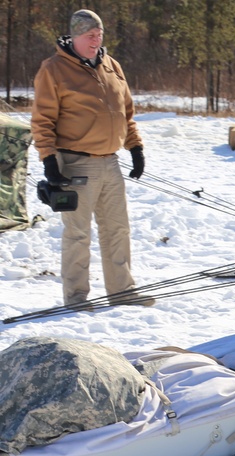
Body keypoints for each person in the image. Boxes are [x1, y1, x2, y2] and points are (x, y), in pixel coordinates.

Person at [30, 9, 150, 308]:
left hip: (110, 162)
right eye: (89, 36)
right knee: (78, 233)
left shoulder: (112, 66)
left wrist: (135, 148)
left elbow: (127, 114)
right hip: (75, 163)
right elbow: (42, 120)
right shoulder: (54, 69)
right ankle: (76, 297)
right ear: (74, 36)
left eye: (99, 35)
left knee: (118, 229)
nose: (95, 40)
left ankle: (122, 292)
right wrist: (49, 160)